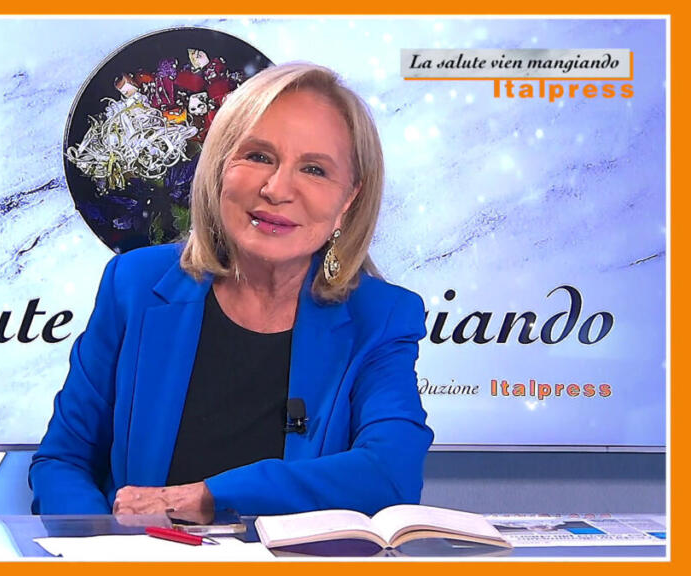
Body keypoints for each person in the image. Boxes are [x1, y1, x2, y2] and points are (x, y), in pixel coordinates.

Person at [30, 62, 433, 518]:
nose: (277, 189)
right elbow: (63, 462)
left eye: (314, 169)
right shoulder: (134, 285)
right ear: (221, 166)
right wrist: (103, 546)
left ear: (349, 200)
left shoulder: (381, 318)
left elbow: (390, 474)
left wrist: (206, 498)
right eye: (259, 156)